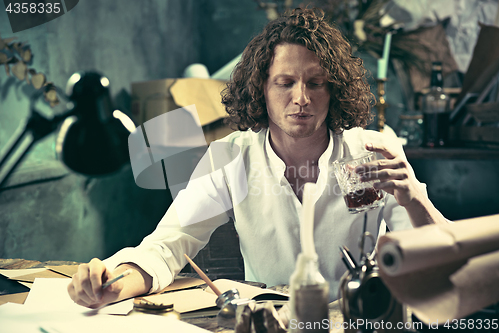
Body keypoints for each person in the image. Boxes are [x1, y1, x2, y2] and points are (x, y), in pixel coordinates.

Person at [68, 8, 448, 308]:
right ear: (260, 89)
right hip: (271, 322)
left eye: (316, 83)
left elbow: (443, 257)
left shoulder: (374, 151)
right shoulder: (230, 157)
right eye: (285, 83)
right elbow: (168, 244)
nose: (302, 98)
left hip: (358, 318)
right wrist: (113, 284)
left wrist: (415, 197)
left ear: (333, 91)